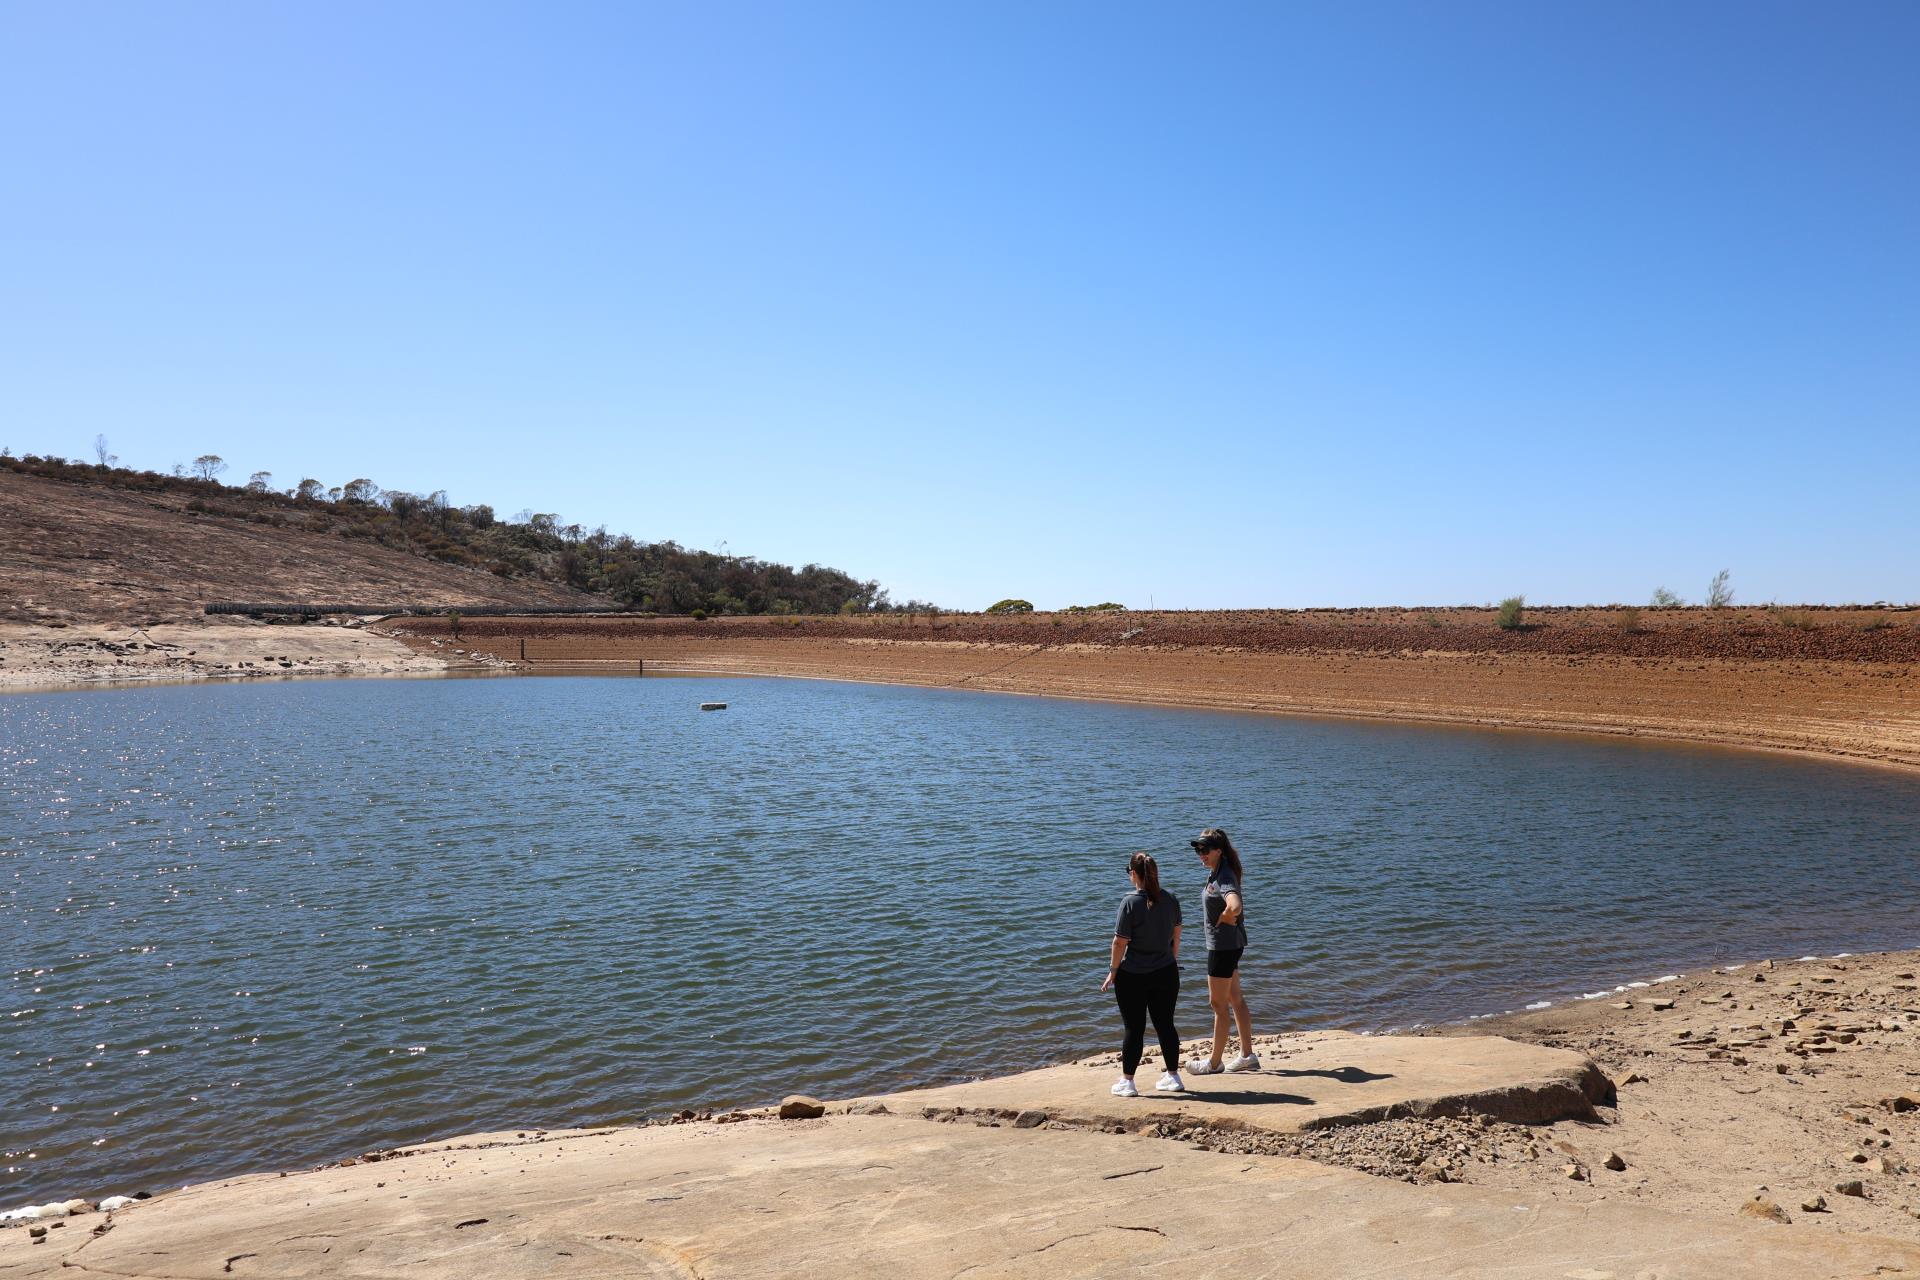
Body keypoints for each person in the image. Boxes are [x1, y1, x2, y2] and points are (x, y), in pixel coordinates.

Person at [1100, 852, 1184, 1097]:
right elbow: (1176, 935)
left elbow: (1119, 943)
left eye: (1129, 871)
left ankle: (1128, 1082)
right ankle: (1173, 1076)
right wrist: (1171, 960)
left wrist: (1113, 971)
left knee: (1134, 1028)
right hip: (1166, 972)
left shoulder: (1129, 902)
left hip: (1133, 976)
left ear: (1134, 875)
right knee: (1166, 1024)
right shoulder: (1171, 899)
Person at [1186, 827, 1259, 1074]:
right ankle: (1247, 1055)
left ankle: (1214, 1063)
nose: (1200, 854)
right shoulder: (1219, 871)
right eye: (1198, 850)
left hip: (1222, 948)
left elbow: (1235, 904)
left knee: (1217, 1004)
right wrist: (1227, 917)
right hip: (1232, 945)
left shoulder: (1224, 875)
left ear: (1218, 850)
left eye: (1205, 850)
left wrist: (1226, 916)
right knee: (1235, 997)